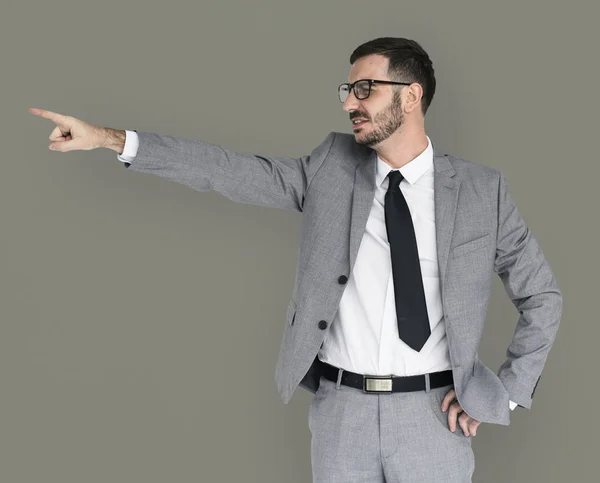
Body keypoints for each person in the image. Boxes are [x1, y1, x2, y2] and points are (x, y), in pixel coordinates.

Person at [30, 36, 562, 483]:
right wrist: (110, 139)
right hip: (340, 415)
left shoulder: (480, 191)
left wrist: (504, 397)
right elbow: (229, 170)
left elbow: (542, 295)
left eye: (364, 89)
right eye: (346, 91)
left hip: (433, 419)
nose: (350, 102)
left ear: (412, 96)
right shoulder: (331, 168)